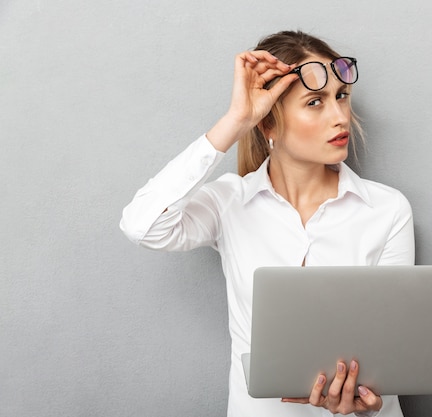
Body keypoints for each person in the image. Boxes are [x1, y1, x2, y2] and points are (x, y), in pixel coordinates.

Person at [120, 30, 415, 417]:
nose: (339, 116)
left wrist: (367, 404)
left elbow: (391, 342)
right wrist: (236, 120)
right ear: (269, 127)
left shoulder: (387, 209)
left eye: (341, 96)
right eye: (315, 102)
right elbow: (142, 225)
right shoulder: (230, 203)